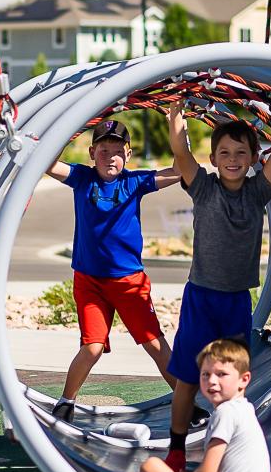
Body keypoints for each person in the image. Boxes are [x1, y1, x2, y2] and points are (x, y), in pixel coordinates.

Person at [162, 100, 271, 472]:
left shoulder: (257, 193)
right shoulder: (202, 188)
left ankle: (231, 444)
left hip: (236, 300)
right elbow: (181, 151)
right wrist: (176, 116)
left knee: (232, 379)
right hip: (201, 296)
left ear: (253, 158)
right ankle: (175, 447)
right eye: (224, 153)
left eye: (240, 152)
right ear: (214, 159)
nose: (232, 159)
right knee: (188, 376)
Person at [45, 118, 182, 420]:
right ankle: (66, 401)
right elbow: (48, 164)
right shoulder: (82, 178)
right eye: (104, 151)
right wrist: (70, 129)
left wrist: (175, 127)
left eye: (117, 151)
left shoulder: (135, 182)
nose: (110, 157)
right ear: (92, 153)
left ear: (128, 155)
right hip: (90, 281)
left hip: (128, 281)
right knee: (92, 347)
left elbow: (179, 170)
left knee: (154, 343)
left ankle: (185, 402)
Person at [139, 338, 271, 472]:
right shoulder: (244, 409)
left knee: (151, 468)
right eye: (205, 375)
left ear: (244, 379)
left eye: (221, 375)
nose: (212, 381)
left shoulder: (225, 413)